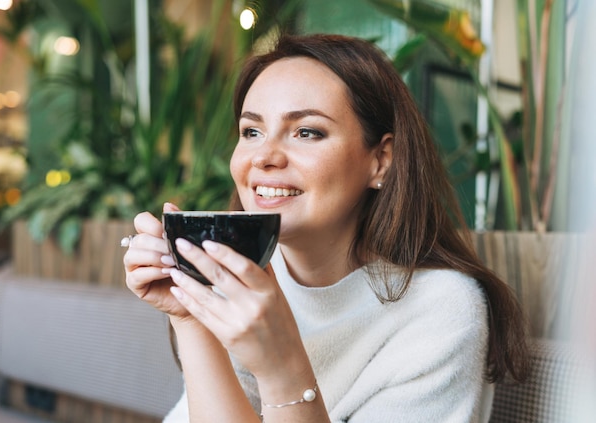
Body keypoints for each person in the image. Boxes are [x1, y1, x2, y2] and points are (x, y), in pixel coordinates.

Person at [123, 33, 529, 422]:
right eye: (251, 131)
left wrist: (282, 367)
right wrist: (190, 317)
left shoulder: (441, 311)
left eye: (306, 131)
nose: (264, 155)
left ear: (381, 160)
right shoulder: (247, 280)